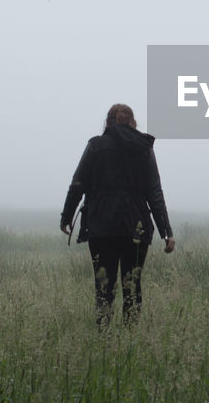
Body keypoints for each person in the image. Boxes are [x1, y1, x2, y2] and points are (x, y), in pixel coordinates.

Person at [61, 103, 175, 326]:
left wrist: (67, 216)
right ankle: (129, 340)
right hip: (136, 226)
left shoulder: (96, 145)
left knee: (104, 287)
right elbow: (154, 192)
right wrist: (166, 232)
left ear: (108, 122)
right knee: (132, 286)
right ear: (133, 123)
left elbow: (78, 184)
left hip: (101, 226)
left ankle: (105, 342)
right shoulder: (144, 148)